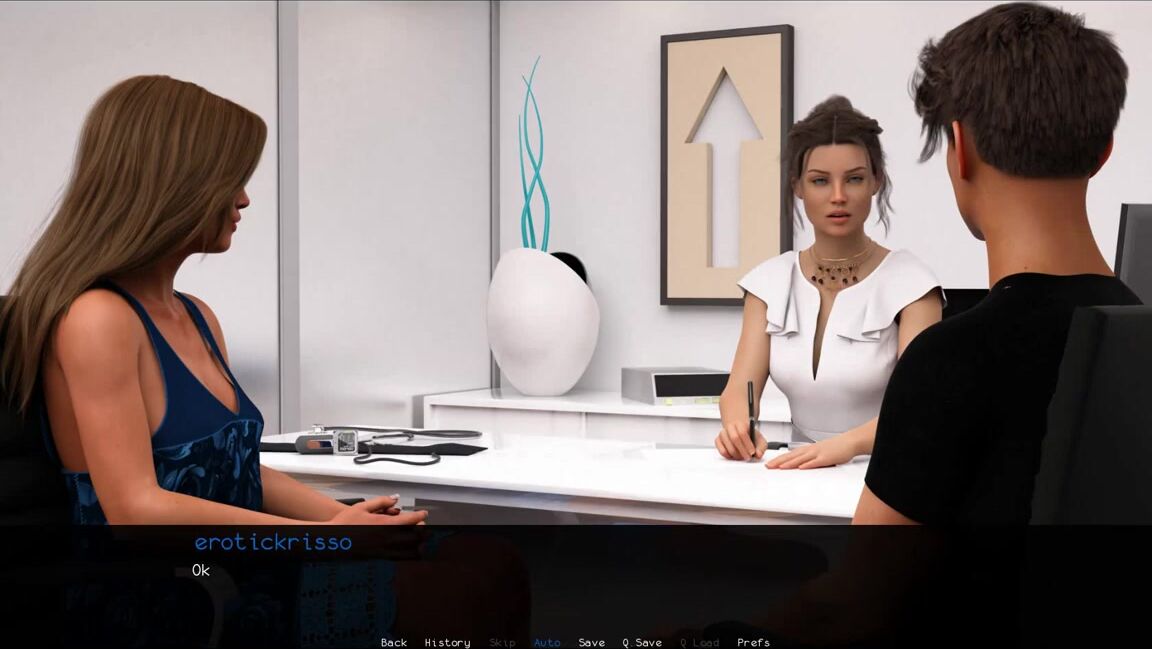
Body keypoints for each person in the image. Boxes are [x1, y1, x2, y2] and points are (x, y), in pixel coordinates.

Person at [0, 75, 427, 526]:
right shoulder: (97, 319)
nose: (243, 200)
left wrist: (345, 517)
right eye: (230, 181)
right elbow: (134, 507)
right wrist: (326, 537)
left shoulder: (197, 315)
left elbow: (236, 470)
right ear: (175, 185)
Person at [854, 1, 1141, 525]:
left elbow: (866, 577)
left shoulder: (949, 361)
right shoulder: (1136, 344)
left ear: (960, 148)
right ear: (1103, 152)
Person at [715, 95, 943, 470]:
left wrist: (847, 446)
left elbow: (918, 406)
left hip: (890, 473)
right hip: (797, 472)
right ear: (798, 186)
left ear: (876, 181)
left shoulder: (913, 287)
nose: (838, 197)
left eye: (854, 179)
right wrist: (739, 428)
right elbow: (737, 392)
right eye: (820, 181)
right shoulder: (768, 283)